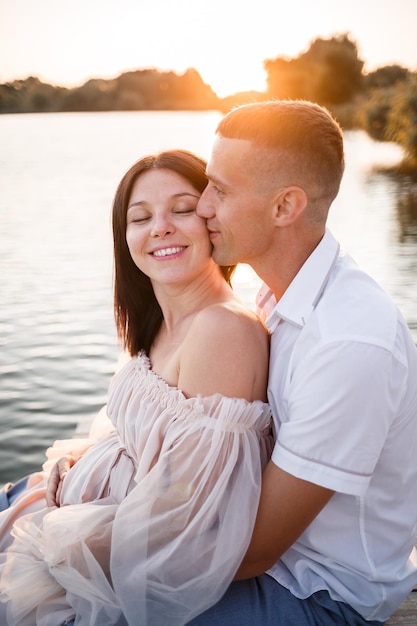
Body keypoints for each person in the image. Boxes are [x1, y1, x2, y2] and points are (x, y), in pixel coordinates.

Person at [0, 149, 273, 625]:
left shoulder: (222, 330)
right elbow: (144, 442)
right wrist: (81, 459)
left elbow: (187, 516)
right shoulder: (161, 321)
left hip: (104, 553)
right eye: (140, 217)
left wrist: (58, 529)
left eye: (182, 209)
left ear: (213, 218)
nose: (160, 227)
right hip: (66, 508)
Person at [192, 100, 417, 625]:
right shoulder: (280, 296)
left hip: (320, 594)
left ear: (284, 206)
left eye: (220, 190)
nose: (202, 206)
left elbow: (254, 552)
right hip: (272, 566)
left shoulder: (348, 340)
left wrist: (99, 551)